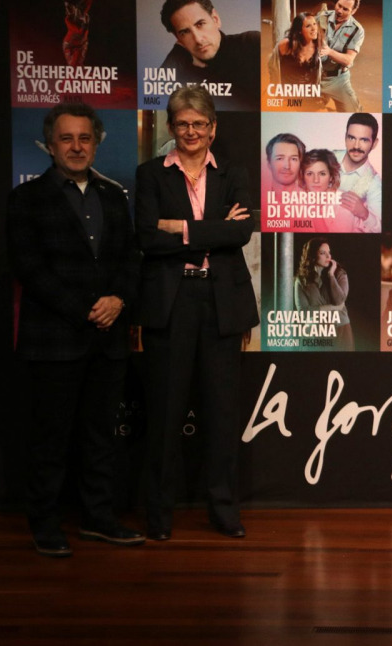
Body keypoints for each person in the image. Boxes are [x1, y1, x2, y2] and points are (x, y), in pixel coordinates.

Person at [7, 102, 143, 557]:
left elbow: (130, 258)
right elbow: (28, 267)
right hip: (54, 340)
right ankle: (45, 524)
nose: (77, 146)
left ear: (96, 144)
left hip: (108, 341)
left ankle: (99, 519)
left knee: (101, 437)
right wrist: (84, 310)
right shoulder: (26, 198)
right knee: (50, 439)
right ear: (50, 145)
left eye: (85, 138)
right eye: (67, 138)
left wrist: (118, 299)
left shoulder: (114, 196)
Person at [135, 86, 258, 541]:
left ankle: (224, 511)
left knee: (222, 414)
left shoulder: (233, 174)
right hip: (171, 302)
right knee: (165, 414)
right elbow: (148, 238)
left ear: (213, 129)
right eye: (183, 124)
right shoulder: (150, 174)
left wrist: (180, 229)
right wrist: (212, 230)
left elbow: (240, 233)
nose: (191, 132)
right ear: (171, 127)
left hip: (222, 302)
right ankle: (158, 515)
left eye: (200, 124)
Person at [158, 0, 260, 108]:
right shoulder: (182, 67)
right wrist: (178, 52)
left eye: (200, 24)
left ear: (215, 19)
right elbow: (157, 96)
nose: (198, 39)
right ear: (178, 38)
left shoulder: (251, 43)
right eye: (185, 32)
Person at [295, 237, 353, 350]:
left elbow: (339, 300)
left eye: (329, 252)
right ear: (312, 255)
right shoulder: (301, 280)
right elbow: (303, 313)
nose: (328, 256)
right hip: (315, 331)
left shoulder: (340, 273)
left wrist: (331, 275)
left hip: (340, 329)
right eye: (322, 253)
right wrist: (332, 308)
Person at [332, 112, 382, 233]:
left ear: (374, 143)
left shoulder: (374, 182)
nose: (356, 146)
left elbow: (379, 227)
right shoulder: (327, 159)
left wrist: (364, 213)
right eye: (351, 138)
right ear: (345, 138)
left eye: (364, 140)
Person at [318, 0, 365, 112]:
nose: (339, 11)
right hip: (314, 76)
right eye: (339, 5)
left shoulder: (357, 30)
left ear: (353, 11)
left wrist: (329, 52)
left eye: (345, 9)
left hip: (337, 80)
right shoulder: (321, 17)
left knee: (354, 113)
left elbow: (348, 60)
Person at [302, 148, 354, 232]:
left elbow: (331, 238)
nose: (316, 180)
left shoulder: (343, 203)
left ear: (331, 177)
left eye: (322, 174)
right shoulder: (297, 198)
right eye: (310, 174)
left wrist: (315, 210)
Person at [269, 11, 323, 88]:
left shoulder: (318, 45)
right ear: (299, 31)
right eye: (308, 26)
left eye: (314, 24)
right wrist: (275, 87)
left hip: (309, 91)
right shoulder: (286, 45)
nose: (314, 28)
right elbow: (272, 66)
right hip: (287, 91)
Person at [62, 0, 92, 68]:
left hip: (82, 44)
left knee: (78, 67)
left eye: (69, 6)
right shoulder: (68, 19)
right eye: (66, 7)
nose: (67, 9)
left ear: (75, 6)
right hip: (70, 46)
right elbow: (78, 32)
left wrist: (79, 3)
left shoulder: (83, 13)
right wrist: (85, 24)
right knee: (74, 67)